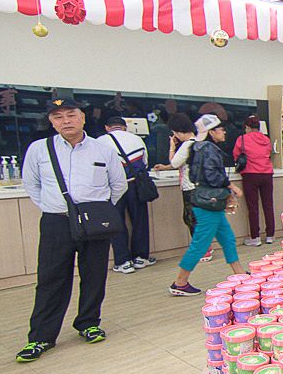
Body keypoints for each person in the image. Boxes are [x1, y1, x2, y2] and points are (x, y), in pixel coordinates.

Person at [15, 99, 127, 362]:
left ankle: (88, 323)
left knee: (94, 273)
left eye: (70, 115)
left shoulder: (103, 149)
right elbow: (31, 184)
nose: (65, 121)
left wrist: (97, 211)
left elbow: (118, 185)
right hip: (56, 222)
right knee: (51, 278)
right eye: (58, 117)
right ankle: (41, 337)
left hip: (95, 221)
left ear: (82, 117)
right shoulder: (39, 149)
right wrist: (52, 207)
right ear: (51, 122)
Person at [169, 115, 246, 296]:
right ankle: (180, 282)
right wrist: (230, 190)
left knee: (227, 238)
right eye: (220, 129)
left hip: (207, 201)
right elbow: (213, 177)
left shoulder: (198, 147)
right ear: (212, 132)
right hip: (208, 204)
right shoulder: (208, 149)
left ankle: (240, 274)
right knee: (200, 244)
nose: (224, 132)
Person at [152, 114, 214, 262]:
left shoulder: (187, 145)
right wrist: (165, 167)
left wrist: (172, 147)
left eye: (174, 133)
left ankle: (203, 250)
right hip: (199, 187)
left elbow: (174, 162)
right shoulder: (197, 142)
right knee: (196, 218)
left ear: (179, 131)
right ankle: (205, 247)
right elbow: (181, 163)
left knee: (191, 218)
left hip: (190, 187)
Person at [101, 116, 154, 273]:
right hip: (134, 184)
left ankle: (123, 261)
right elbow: (145, 163)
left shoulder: (99, 142)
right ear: (125, 127)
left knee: (116, 223)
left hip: (111, 188)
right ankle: (141, 257)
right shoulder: (137, 139)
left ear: (107, 127)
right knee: (140, 220)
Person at [234, 115, 276, 247]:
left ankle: (255, 237)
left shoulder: (242, 139)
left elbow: (236, 155)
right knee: (268, 205)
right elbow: (268, 153)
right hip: (267, 174)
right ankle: (270, 235)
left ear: (247, 127)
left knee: (253, 207)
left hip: (250, 174)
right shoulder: (266, 139)